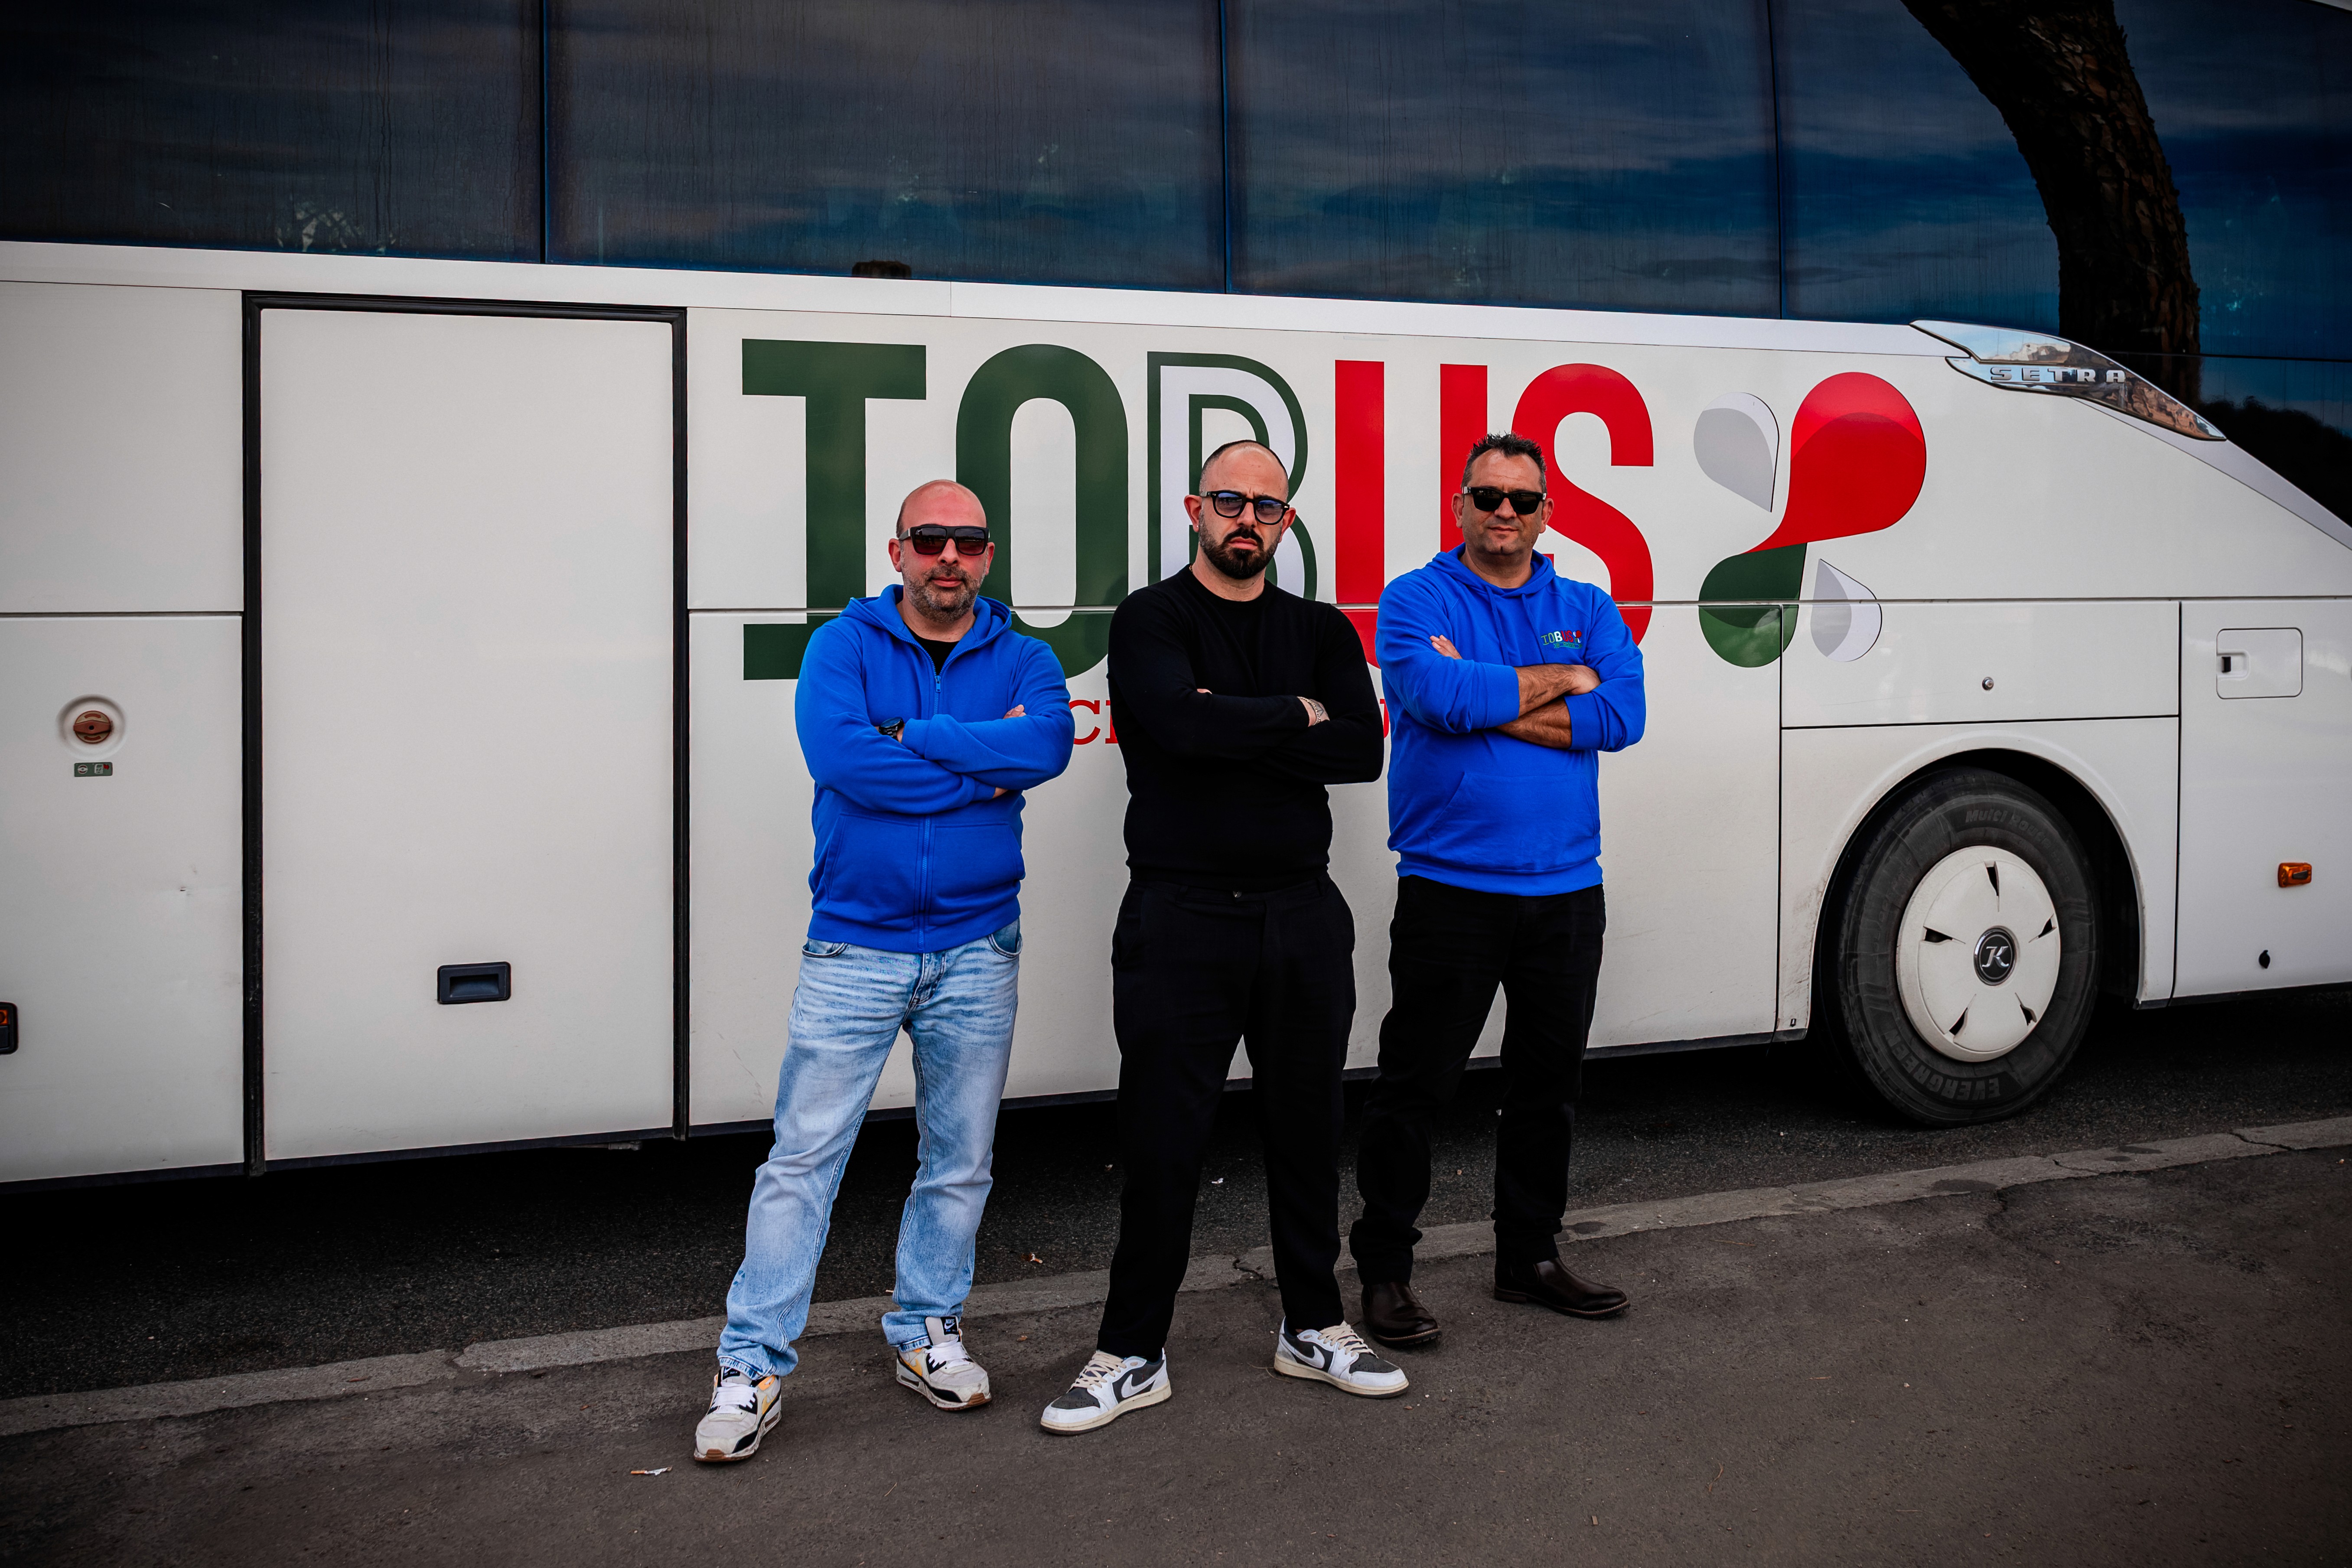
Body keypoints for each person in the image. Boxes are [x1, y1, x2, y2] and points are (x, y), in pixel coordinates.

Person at [694, 479, 1075, 1462]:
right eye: (931, 540)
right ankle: (752, 1365)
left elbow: (1045, 747)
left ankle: (927, 1331)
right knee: (803, 1160)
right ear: (897, 550)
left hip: (978, 946)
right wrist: (976, 773)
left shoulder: (1027, 656)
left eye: (969, 541)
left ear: (988, 556)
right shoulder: (844, 646)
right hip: (855, 945)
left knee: (958, 1161)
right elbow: (845, 761)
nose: (949, 557)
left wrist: (918, 736)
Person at [1039, 439, 1397, 1436]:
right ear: (1196, 508)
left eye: (1268, 508)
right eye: (1231, 502)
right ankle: (1131, 1351)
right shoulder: (1151, 618)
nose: (1249, 520)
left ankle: (1314, 1327)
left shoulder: (1321, 626)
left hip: (1300, 914)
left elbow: (1360, 750)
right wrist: (1294, 715)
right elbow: (1173, 731)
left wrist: (1226, 722)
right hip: (1180, 914)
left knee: (1306, 1130)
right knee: (1163, 1139)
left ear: (1287, 523)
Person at [1348, 431, 1647, 1348]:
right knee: (1416, 1085)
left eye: (1522, 500)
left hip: (1566, 891)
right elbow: (1432, 695)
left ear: (1546, 514)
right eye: (1487, 497)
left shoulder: (1585, 601)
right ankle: (1386, 1270)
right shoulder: (1415, 599)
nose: (1503, 514)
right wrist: (1561, 682)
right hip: (1451, 891)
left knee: (1546, 1087)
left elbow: (1624, 713)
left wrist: (1493, 696)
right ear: (1460, 507)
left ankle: (1529, 1257)